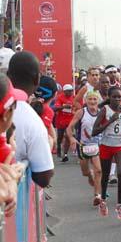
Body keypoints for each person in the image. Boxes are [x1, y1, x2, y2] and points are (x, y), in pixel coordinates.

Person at [8, 51, 54, 188]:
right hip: (10, 204)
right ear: (37, 80)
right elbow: (43, 177)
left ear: (8, 76)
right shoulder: (32, 121)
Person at [92, 86, 121, 220]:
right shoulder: (105, 110)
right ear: (109, 98)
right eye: (114, 97)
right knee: (106, 175)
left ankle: (119, 205)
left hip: (120, 145)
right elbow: (94, 131)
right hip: (106, 145)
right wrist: (110, 121)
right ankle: (103, 200)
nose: (117, 99)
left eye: (119, 97)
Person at [67, 91, 103, 206]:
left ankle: (97, 195)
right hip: (83, 146)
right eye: (90, 99)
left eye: (94, 99)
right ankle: (89, 175)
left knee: (98, 170)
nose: (92, 102)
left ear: (98, 101)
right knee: (85, 172)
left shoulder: (102, 113)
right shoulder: (81, 112)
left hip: (97, 145)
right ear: (86, 101)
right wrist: (72, 139)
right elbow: (69, 128)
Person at [54, 84, 75, 161]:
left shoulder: (74, 98)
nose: (71, 92)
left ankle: (65, 154)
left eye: (72, 90)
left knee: (68, 136)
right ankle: (59, 148)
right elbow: (55, 108)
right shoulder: (60, 97)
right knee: (60, 137)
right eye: (69, 91)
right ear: (65, 91)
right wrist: (64, 107)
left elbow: (77, 107)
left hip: (70, 121)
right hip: (61, 121)